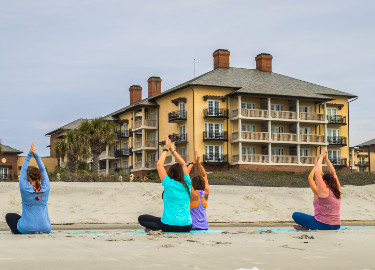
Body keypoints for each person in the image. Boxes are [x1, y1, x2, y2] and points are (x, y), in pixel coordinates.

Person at [138, 137, 192, 232]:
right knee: (162, 219)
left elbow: (159, 164)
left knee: (142, 218)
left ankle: (153, 228)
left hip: (170, 226)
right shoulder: (187, 183)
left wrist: (166, 149)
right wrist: (172, 150)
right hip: (187, 226)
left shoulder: (168, 182)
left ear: (171, 173)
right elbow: (183, 164)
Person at [5, 142, 51, 234]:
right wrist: (36, 154)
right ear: (41, 178)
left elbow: (23, 170)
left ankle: (25, 229)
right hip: (45, 228)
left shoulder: (25, 188)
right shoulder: (46, 188)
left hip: (26, 228)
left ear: (29, 178)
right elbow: (43, 170)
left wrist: (30, 154)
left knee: (9, 216)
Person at [292, 146, 341, 230]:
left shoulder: (323, 190)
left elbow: (317, 173)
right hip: (337, 225)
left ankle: (305, 227)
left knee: (295, 215)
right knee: (311, 219)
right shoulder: (337, 190)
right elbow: (333, 172)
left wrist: (321, 157)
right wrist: (326, 158)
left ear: (324, 182)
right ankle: (305, 227)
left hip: (323, 225)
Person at [187, 150, 210, 230]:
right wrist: (199, 163)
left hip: (193, 226)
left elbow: (185, 174)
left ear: (193, 184)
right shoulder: (206, 193)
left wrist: (193, 162)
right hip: (204, 226)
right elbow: (204, 175)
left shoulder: (193, 194)